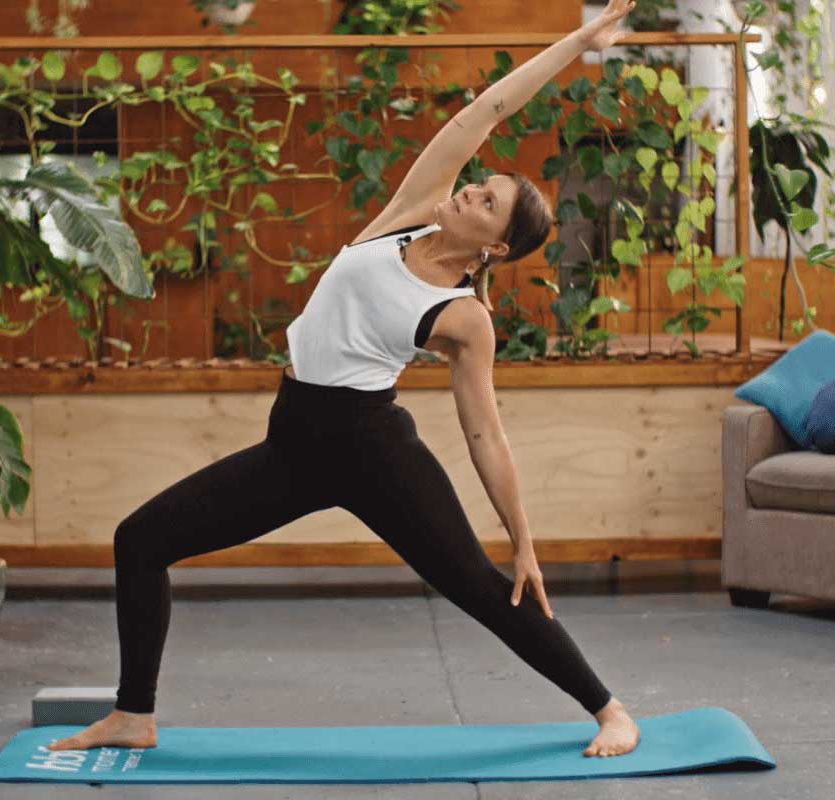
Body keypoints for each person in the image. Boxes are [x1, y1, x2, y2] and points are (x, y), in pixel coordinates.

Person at [50, 0, 641, 759]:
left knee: (481, 587)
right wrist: (579, 41)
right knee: (140, 540)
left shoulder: (463, 317)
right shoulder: (409, 213)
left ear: (494, 248)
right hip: (293, 442)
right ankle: (134, 714)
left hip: (372, 451)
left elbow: (484, 432)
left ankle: (608, 709)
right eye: (478, 186)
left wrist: (525, 541)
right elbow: (486, 111)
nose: (470, 192)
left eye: (486, 202)